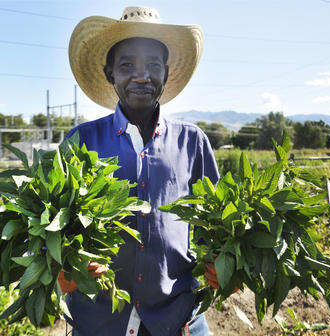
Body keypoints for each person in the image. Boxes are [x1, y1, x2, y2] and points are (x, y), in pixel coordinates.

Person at [60, 6, 220, 336]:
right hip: (99, 321)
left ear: (167, 72)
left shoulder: (191, 141)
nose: (141, 75)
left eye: (152, 65)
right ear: (109, 74)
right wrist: (60, 268)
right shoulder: (81, 141)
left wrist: (223, 262)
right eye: (127, 65)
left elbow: (217, 222)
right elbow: (51, 224)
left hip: (178, 319)